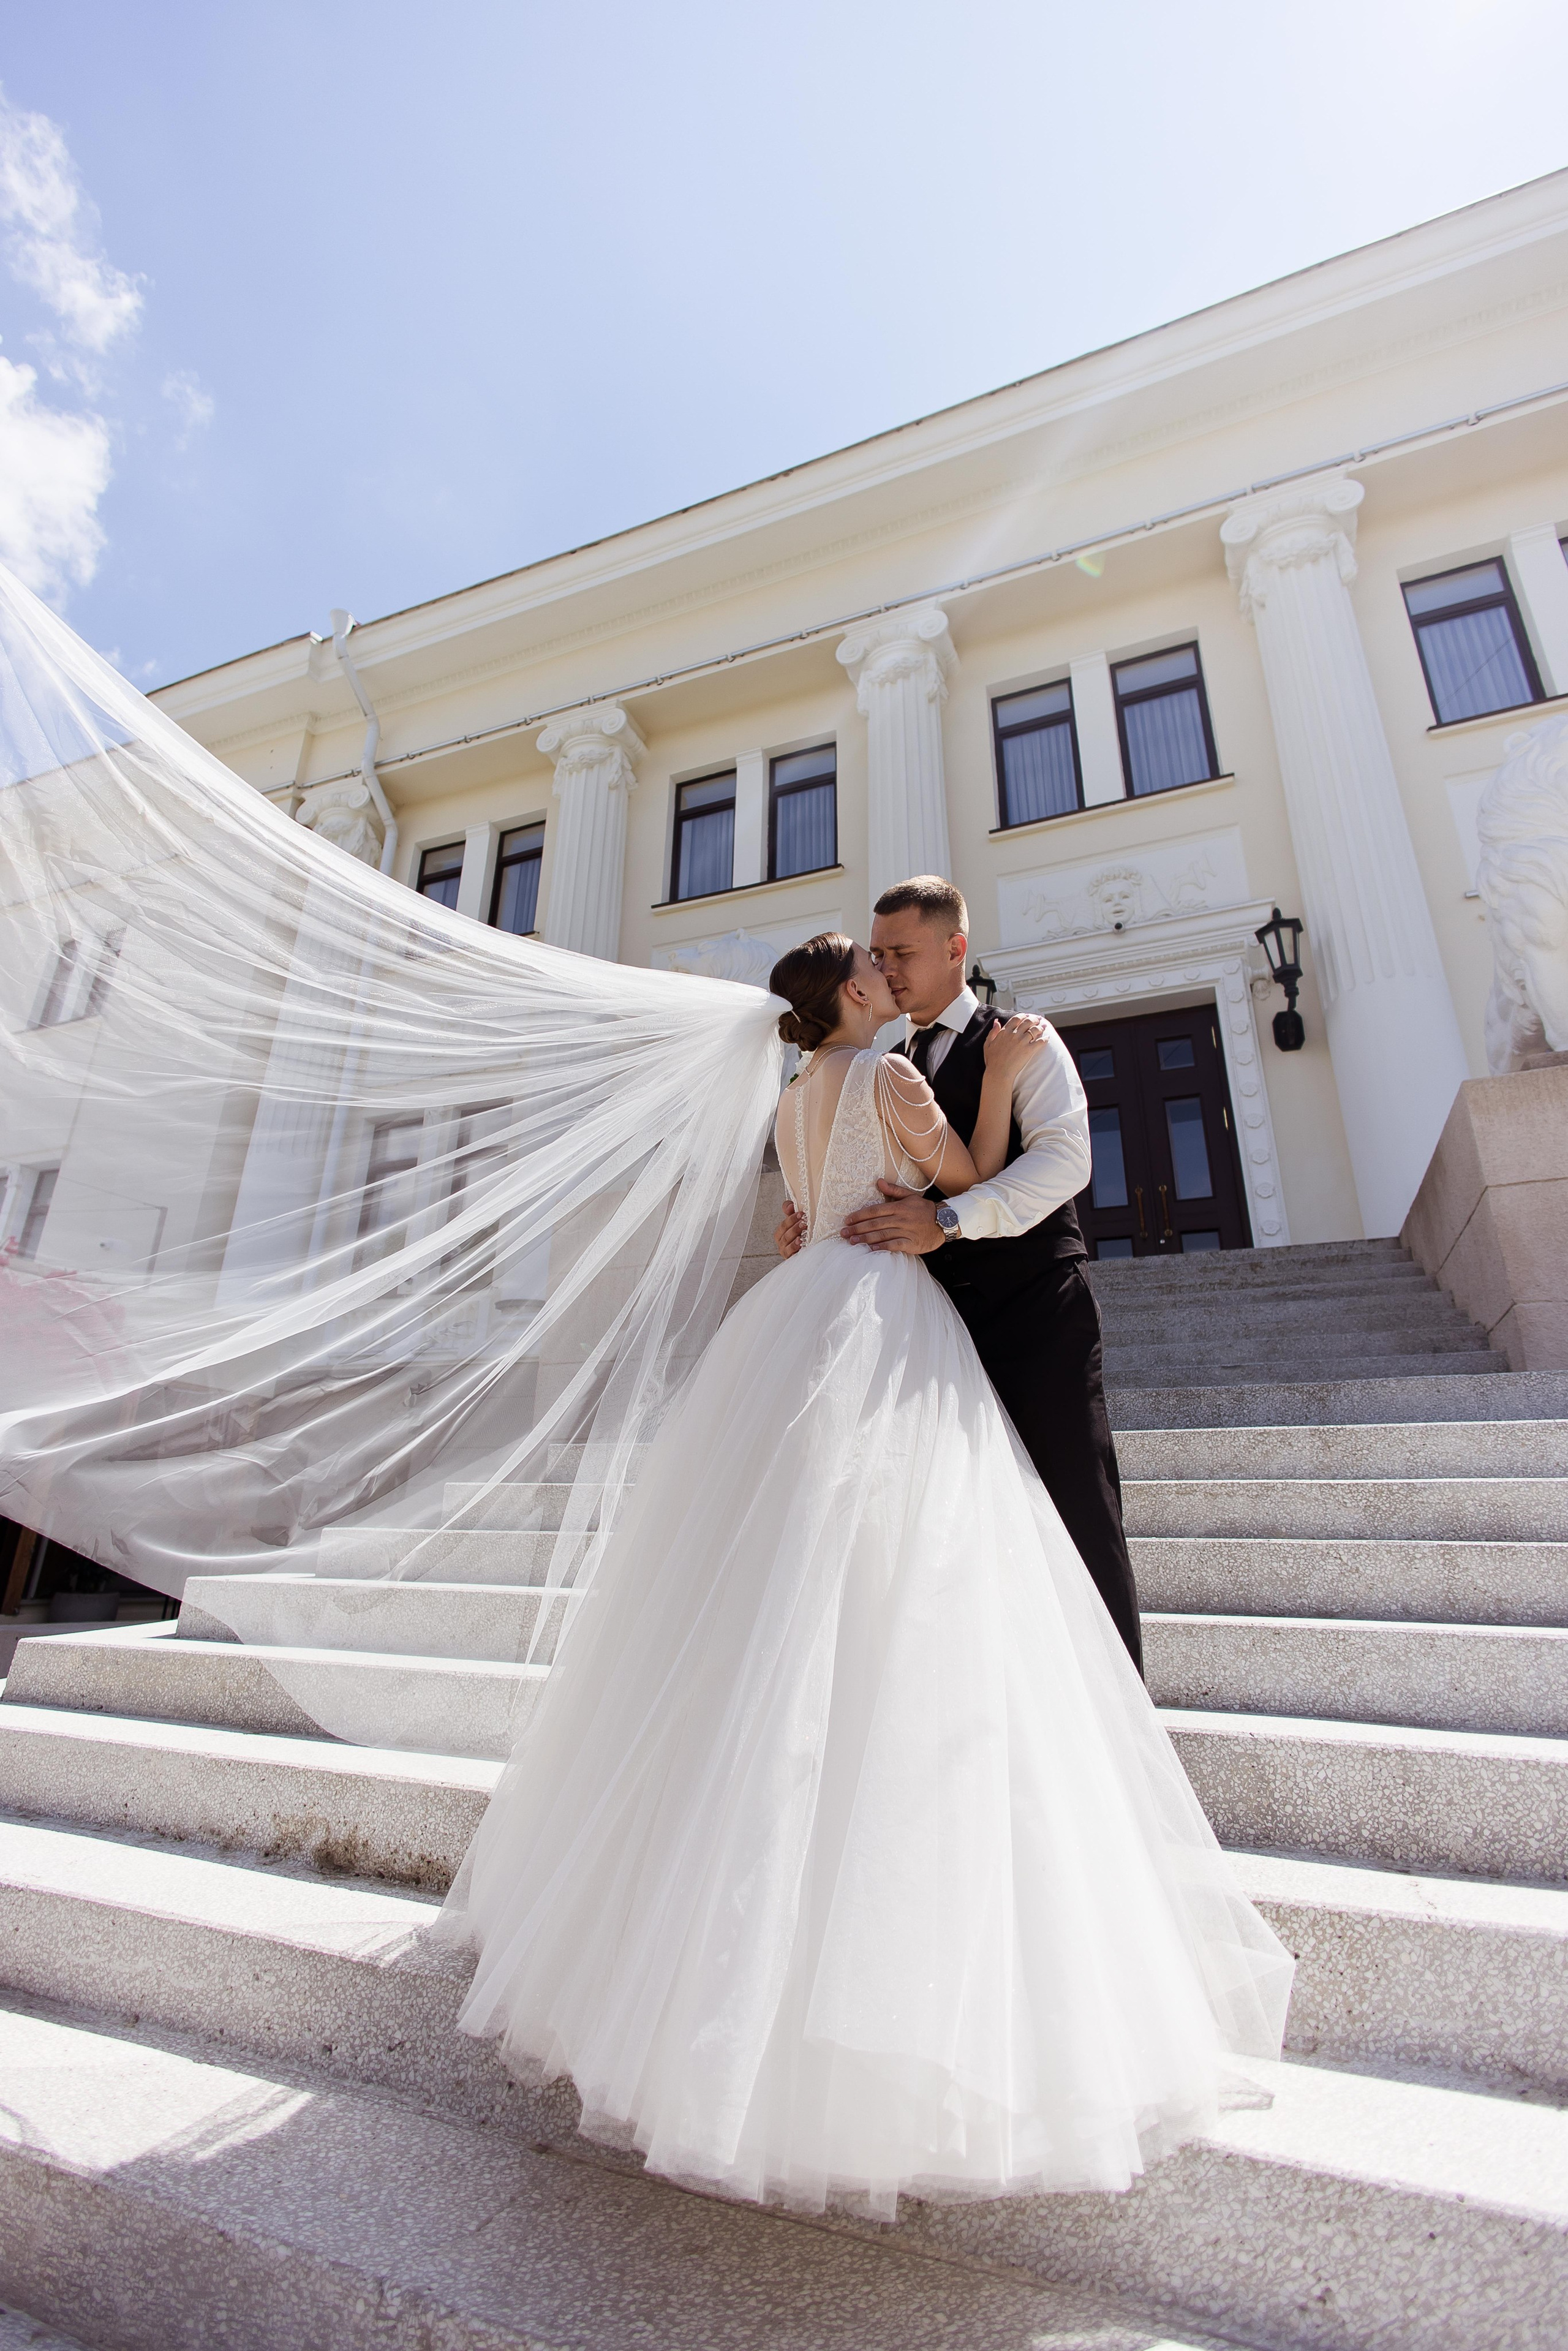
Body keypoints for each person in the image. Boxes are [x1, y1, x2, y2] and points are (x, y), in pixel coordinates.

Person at [441, 930, 1292, 2217]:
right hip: (883, 1309)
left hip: (794, 1312)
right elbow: (969, 1177)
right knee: (896, 1556)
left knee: (769, 1570)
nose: (891, 981)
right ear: (851, 991)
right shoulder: (891, 1075)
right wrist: (992, 1083)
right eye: (874, 969)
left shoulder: (791, 1094)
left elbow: (809, 1207)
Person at [774, 877, 1142, 1672]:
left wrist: (946, 1220)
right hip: (925, 1332)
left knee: (1075, 1507)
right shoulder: (881, 1062)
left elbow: (1065, 1161)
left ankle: (1119, 1705)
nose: (886, 967)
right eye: (877, 954)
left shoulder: (1023, 1042)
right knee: (951, 1530)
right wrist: (814, 1218)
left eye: (902, 952)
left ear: (956, 949)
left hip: (1032, 1312)